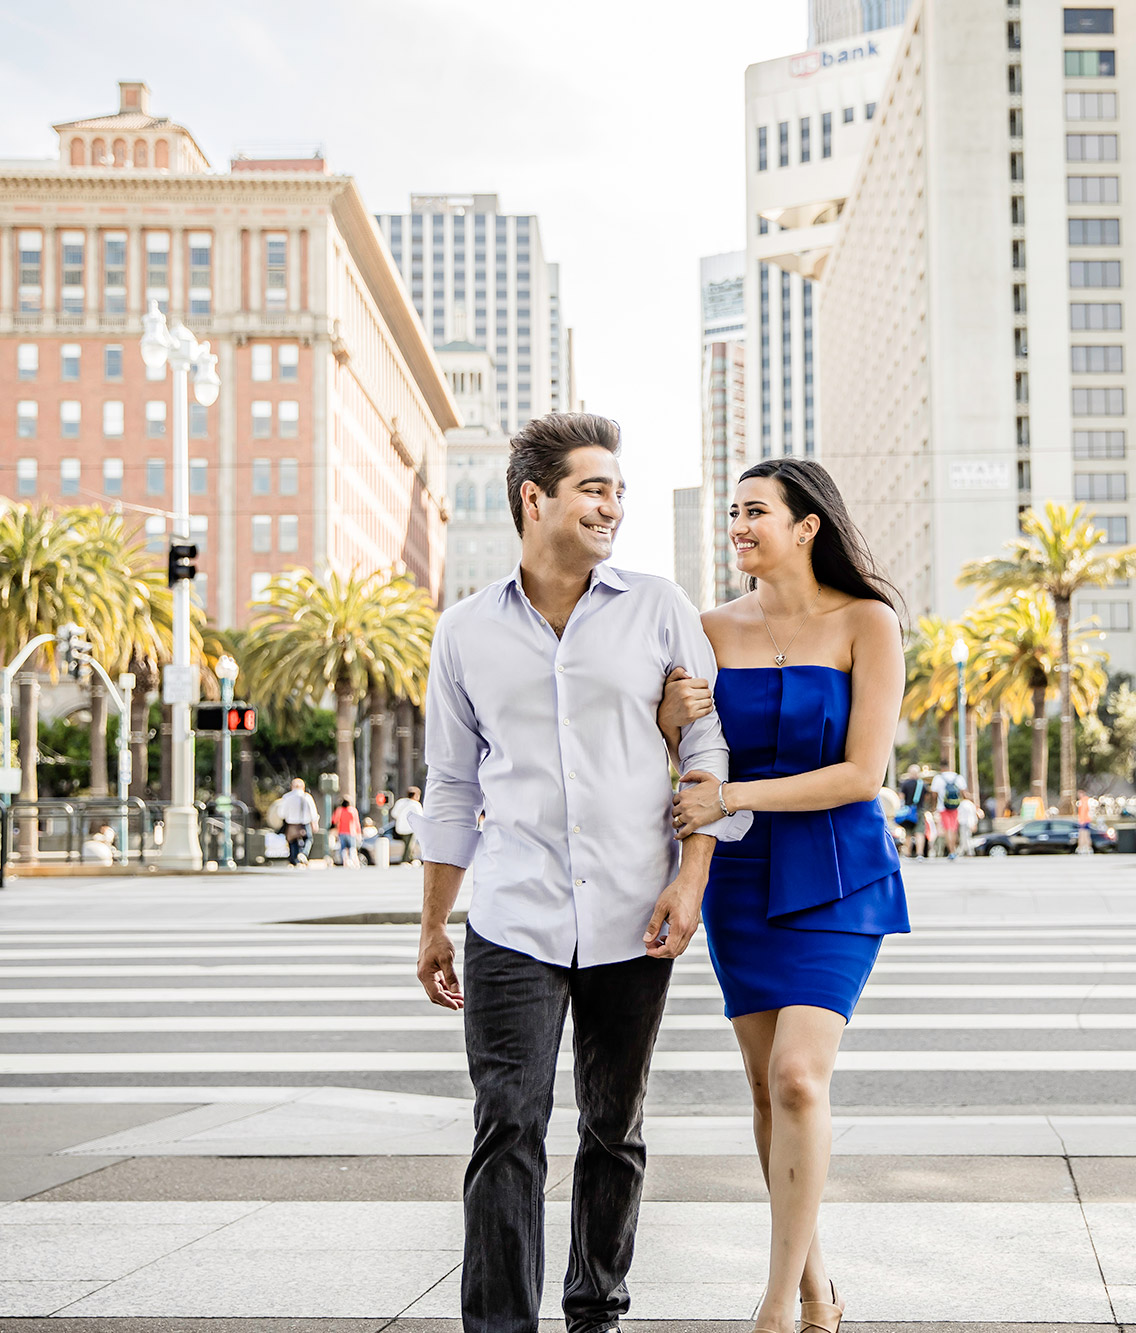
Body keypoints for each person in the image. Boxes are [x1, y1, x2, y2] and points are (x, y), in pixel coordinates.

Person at [413, 413, 749, 1333]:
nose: (613, 505)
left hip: (635, 911)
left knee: (613, 1127)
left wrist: (691, 881)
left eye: (618, 489)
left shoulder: (659, 605)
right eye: (593, 487)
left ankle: (595, 1307)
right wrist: (436, 920)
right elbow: (450, 784)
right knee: (508, 1125)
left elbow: (705, 746)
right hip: (511, 916)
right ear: (535, 498)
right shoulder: (464, 632)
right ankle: (499, 1326)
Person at [659, 456, 909, 1333]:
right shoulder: (707, 627)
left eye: (756, 511)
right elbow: (690, 760)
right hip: (739, 878)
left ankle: (774, 1303)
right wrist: (671, 729)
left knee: (800, 1077)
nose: (739, 525)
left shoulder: (867, 622)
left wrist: (734, 797)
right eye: (732, 511)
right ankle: (816, 1285)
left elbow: (860, 773)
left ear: (808, 526)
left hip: (838, 869)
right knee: (768, 1094)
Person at [279, 779, 320, 867]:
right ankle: (304, 854)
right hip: (304, 823)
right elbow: (313, 812)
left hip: (291, 824)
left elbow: (281, 813)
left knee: (292, 842)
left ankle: (295, 860)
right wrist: (315, 822)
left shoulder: (286, 797)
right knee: (308, 839)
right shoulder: (307, 797)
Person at [896, 763, 931, 858]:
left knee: (908, 833)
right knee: (920, 832)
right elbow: (927, 797)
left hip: (908, 812)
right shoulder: (923, 784)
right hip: (919, 810)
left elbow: (901, 797)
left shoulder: (905, 784)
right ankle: (920, 853)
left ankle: (907, 853)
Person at [391, 785, 424, 863]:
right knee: (409, 845)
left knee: (406, 844)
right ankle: (406, 859)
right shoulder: (416, 804)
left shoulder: (400, 802)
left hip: (400, 828)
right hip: (411, 828)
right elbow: (420, 817)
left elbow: (394, 814)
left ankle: (409, 858)